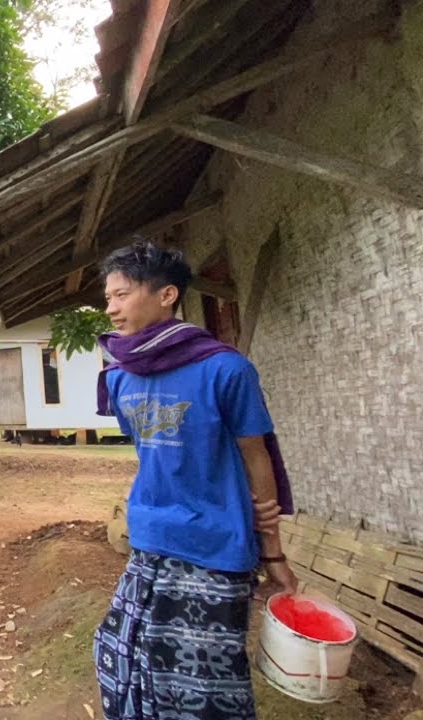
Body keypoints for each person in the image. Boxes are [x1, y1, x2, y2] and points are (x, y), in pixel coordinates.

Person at [91, 241, 299, 720]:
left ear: (166, 295)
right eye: (108, 298)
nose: (111, 308)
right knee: (123, 659)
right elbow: (152, 456)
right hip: (150, 539)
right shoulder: (121, 376)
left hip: (215, 545)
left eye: (121, 294)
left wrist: (273, 552)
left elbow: (257, 457)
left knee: (204, 688)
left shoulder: (227, 369)